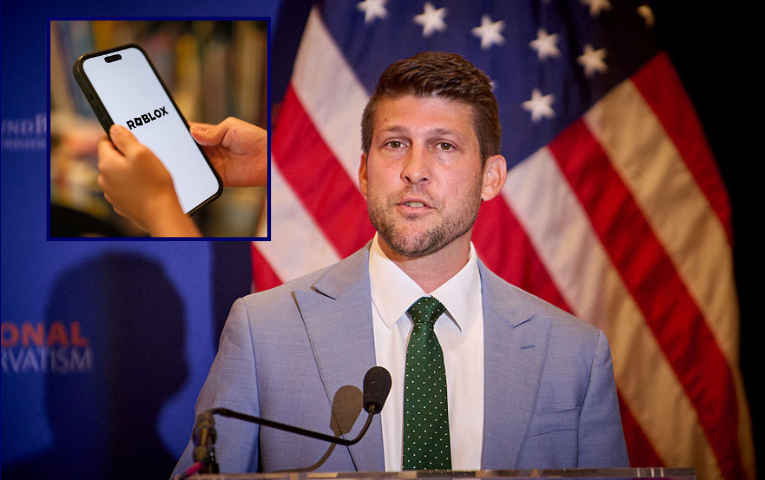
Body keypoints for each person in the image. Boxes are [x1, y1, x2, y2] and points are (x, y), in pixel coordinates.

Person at [98, 51, 629, 474]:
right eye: (395, 144)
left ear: (491, 178)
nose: (415, 170)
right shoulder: (263, 331)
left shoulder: (576, 356)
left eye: (444, 146)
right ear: (363, 172)